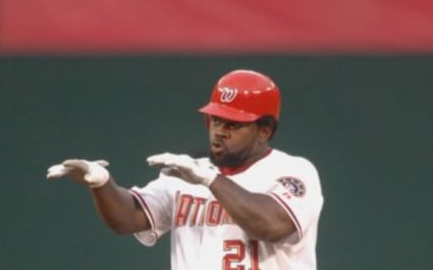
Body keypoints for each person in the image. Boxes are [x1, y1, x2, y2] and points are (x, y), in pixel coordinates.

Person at [47, 69, 324, 270]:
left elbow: (272, 225)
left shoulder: (293, 171)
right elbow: (128, 217)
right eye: (216, 120)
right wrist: (102, 183)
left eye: (233, 125)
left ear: (264, 131)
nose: (220, 132)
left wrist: (208, 179)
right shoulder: (188, 173)